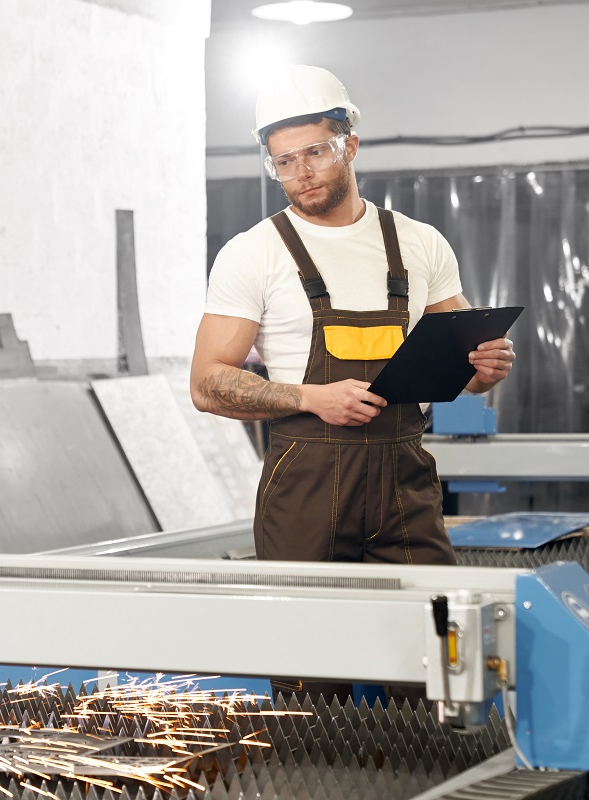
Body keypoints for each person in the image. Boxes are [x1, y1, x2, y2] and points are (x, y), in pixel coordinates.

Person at [191, 65, 515, 568]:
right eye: (284, 161)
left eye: (315, 152)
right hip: (306, 485)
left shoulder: (419, 242)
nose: (301, 172)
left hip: (405, 483)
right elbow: (206, 384)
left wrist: (485, 366)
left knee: (429, 623)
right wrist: (310, 398)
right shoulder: (251, 253)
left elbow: (468, 369)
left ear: (350, 146)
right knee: (307, 635)